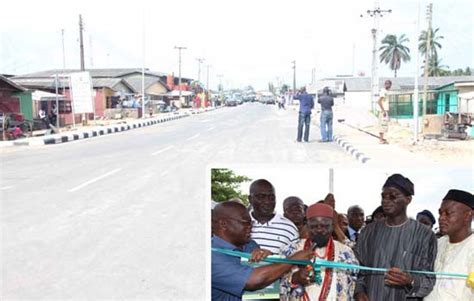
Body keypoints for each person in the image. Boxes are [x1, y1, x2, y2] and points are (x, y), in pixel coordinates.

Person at [354, 173, 437, 301]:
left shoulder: (425, 235)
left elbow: (428, 278)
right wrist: (359, 291)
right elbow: (357, 269)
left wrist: (410, 280)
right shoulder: (368, 232)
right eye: (383, 196)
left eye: (393, 196)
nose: (386, 201)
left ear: (408, 199)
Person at [212, 201, 313, 301]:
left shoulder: (249, 244)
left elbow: (271, 275)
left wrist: (270, 257)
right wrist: (292, 260)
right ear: (224, 224)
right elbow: (253, 281)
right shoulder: (211, 257)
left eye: (251, 223)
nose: (250, 227)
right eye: (245, 223)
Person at [281, 203, 359, 300]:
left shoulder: (346, 253)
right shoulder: (291, 250)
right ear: (307, 225)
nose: (319, 230)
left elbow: (354, 285)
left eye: (325, 225)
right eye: (314, 226)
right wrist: (294, 279)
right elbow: (277, 284)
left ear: (332, 226)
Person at [425, 189, 473, 301]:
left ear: (468, 216)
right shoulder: (437, 244)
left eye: (448, 213)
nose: (441, 218)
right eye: (440, 213)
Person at [249, 179, 300, 255]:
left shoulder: (289, 228)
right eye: (261, 197)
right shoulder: (241, 224)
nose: (267, 201)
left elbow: (293, 260)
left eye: (271, 197)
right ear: (250, 199)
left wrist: (272, 256)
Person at [377, 80, 392, 144]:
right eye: (386, 84)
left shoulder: (386, 92)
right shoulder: (383, 92)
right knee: (382, 125)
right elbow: (379, 101)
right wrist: (383, 111)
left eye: (388, 84)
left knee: (384, 125)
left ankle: (382, 139)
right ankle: (381, 140)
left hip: (385, 110)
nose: (387, 85)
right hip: (383, 111)